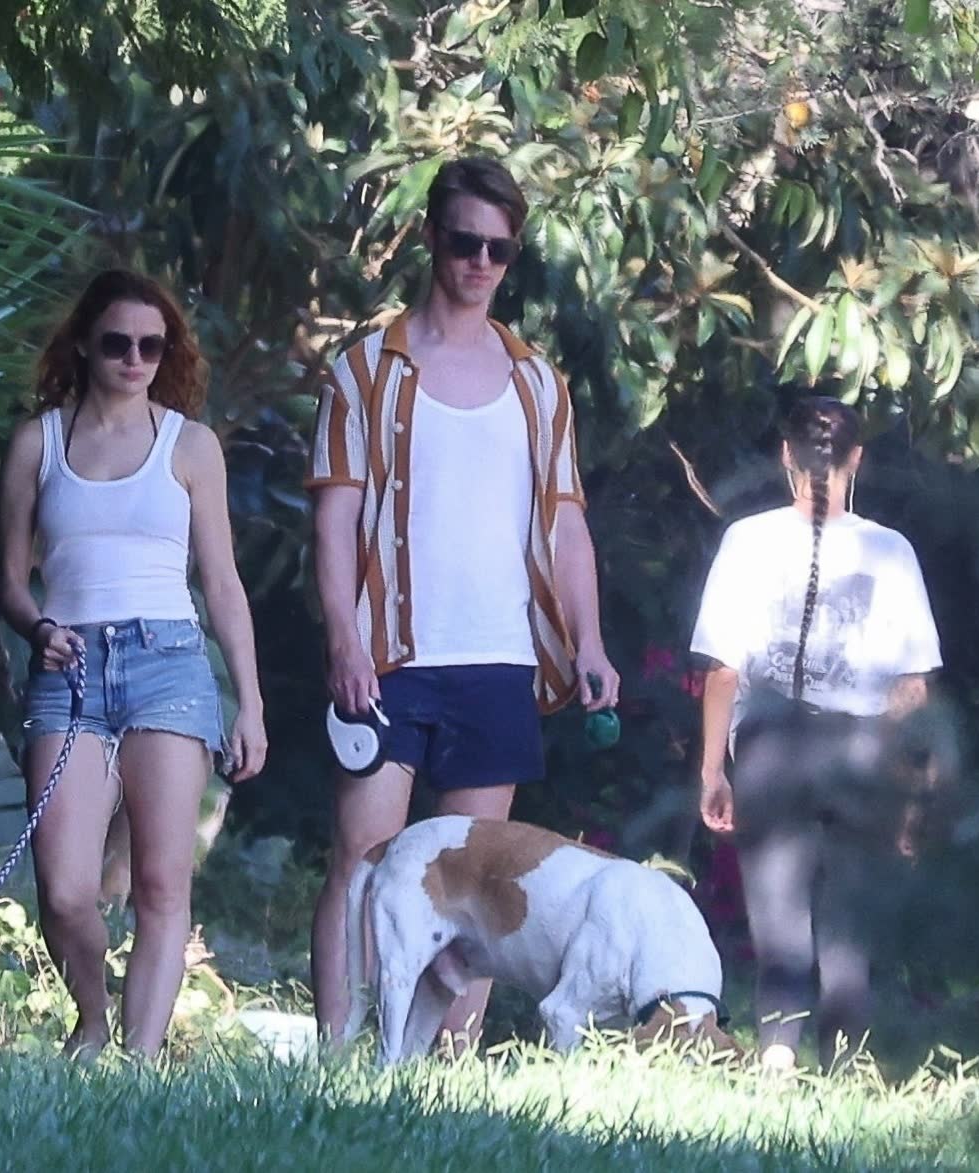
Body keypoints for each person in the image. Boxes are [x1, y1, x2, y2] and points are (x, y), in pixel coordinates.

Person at [306, 155, 622, 1052]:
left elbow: (566, 524)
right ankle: (337, 1051)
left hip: (499, 656)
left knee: (477, 875)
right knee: (363, 856)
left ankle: (446, 1067)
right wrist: (343, 636)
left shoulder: (537, 382)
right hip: (390, 655)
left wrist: (590, 641)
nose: (480, 262)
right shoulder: (365, 370)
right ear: (431, 238)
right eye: (464, 242)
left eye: (499, 249)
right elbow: (334, 519)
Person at [0, 268, 268, 1059]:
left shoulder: (191, 445)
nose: (135, 359)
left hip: (169, 660)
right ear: (84, 344)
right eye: (118, 343)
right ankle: (91, 1019)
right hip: (69, 665)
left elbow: (222, 581)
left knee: (161, 883)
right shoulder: (38, 442)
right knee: (65, 888)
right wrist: (38, 626)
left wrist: (250, 701)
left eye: (153, 346)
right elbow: (9, 580)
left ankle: (138, 1062)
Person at [691, 395, 943, 1073]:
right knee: (849, 922)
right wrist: (913, 790)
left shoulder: (747, 540)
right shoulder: (891, 551)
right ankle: (847, 1064)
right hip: (863, 751)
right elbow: (912, 689)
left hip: (771, 749)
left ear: (785, 455)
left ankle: (777, 1060)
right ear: (856, 458)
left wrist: (713, 768)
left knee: (779, 918)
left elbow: (722, 670)